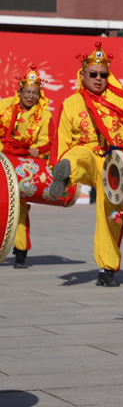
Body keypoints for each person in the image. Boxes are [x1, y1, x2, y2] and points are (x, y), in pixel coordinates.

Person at [47, 43, 123, 287]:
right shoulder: (71, 103)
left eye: (103, 74)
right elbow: (62, 141)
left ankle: (107, 269)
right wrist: (57, 165)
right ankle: (64, 176)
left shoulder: (120, 99)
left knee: (112, 215)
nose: (98, 79)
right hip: (87, 155)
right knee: (76, 156)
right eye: (93, 74)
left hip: (115, 162)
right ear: (82, 75)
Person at [0, 65, 52, 269]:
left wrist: (37, 150)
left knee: (20, 208)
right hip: (3, 160)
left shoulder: (45, 116)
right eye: (27, 92)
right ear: (19, 92)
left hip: (23, 165)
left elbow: (47, 141)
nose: (30, 96)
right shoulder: (5, 106)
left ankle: (21, 251)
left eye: (34, 93)